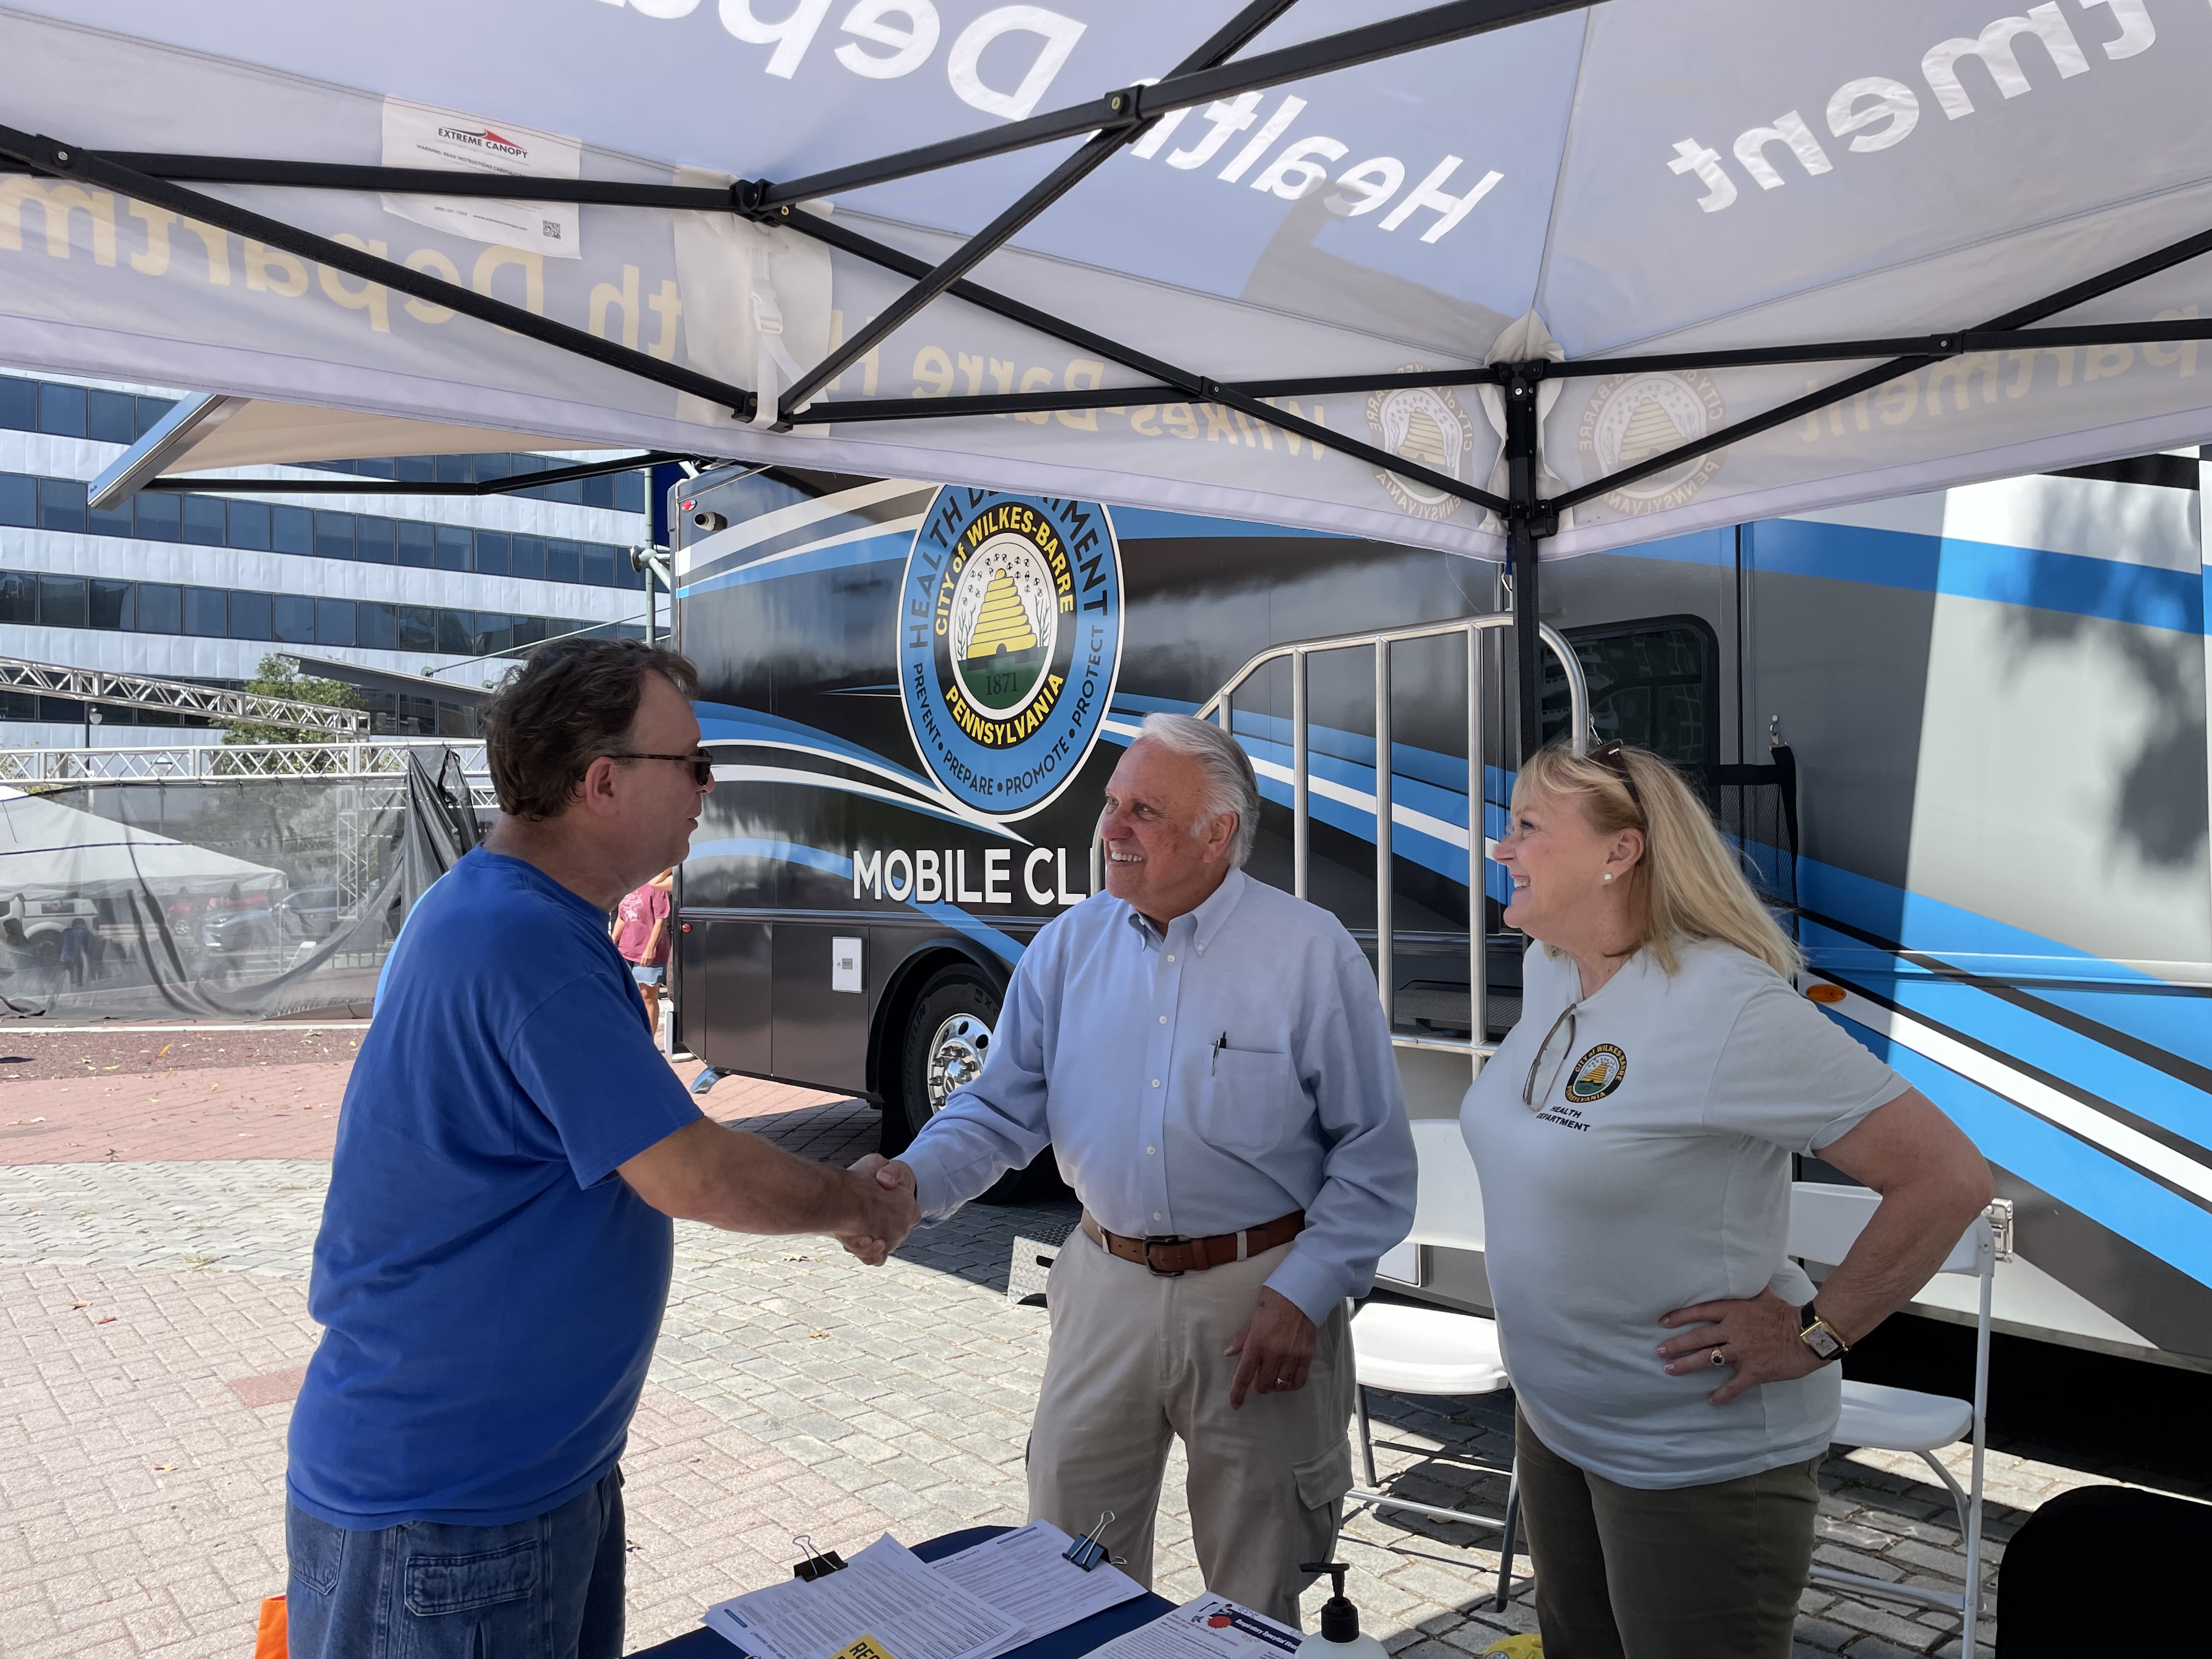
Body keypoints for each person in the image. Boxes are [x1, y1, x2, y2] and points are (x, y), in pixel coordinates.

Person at [285, 639, 918, 1658]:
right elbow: (692, 1169)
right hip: (457, 1515)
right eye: (693, 762)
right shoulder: (525, 939)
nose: (707, 788)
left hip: (493, 1488)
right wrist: (857, 1200)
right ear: (603, 780)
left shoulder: (503, 913)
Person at [861, 713, 1416, 1623]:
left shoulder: (1309, 954)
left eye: (1144, 810)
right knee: (1065, 1560)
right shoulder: (1067, 948)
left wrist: (1307, 1290)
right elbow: (1001, 1106)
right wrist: (911, 1184)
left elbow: (1375, 1161)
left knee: (1256, 1583)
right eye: (1112, 803)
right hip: (1102, 1284)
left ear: (1218, 832)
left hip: (1259, 1300)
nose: (1110, 827)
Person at [1461, 741, 1994, 1659]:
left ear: (1617, 852)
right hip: (1556, 1425)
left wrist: (1815, 1330)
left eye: (1527, 827)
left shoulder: (1727, 1004)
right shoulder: (1551, 969)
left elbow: (1946, 1177)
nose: (1500, 848)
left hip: (1690, 1457)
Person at [612, 865, 675, 1032]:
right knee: (629, 996)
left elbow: (661, 920)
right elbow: (622, 917)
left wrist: (649, 949)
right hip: (626, 951)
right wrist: (611, 941)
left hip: (649, 954)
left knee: (648, 997)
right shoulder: (627, 887)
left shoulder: (655, 887)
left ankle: (649, 1041)